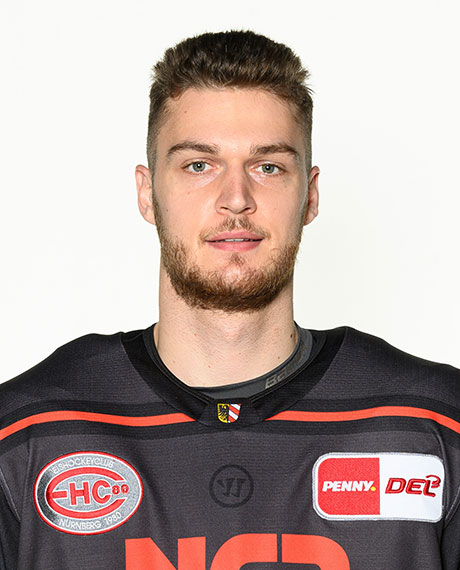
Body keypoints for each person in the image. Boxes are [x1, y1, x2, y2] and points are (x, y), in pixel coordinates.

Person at [1, 30, 459, 570]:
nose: (236, 199)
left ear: (310, 195)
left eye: (268, 167)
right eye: (199, 165)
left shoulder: (431, 424)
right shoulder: (31, 431)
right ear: (147, 193)